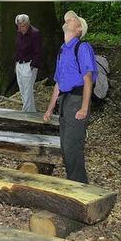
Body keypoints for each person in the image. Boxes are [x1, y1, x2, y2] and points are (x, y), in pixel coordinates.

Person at [43, 10, 97, 184]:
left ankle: (79, 186)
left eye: (74, 20)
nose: (70, 20)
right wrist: (50, 109)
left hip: (77, 100)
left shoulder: (82, 47)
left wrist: (84, 107)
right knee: (65, 147)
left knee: (72, 146)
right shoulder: (62, 50)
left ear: (79, 30)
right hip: (65, 101)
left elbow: (88, 79)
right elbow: (58, 84)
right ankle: (74, 181)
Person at [14, 14, 43, 112]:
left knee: (27, 92)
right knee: (23, 91)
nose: (20, 28)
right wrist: (17, 63)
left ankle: (25, 115)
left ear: (27, 24)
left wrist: (32, 66)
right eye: (18, 25)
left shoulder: (35, 33)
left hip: (29, 65)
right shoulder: (19, 33)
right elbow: (18, 49)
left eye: (22, 26)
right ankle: (31, 113)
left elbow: (38, 52)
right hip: (19, 64)